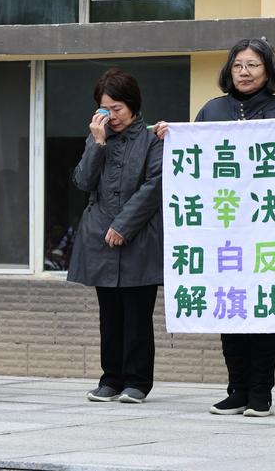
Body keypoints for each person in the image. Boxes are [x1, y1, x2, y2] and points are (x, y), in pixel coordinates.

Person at [154, 37, 275, 417]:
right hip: (218, 226)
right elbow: (193, 158)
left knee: (259, 305)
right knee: (228, 305)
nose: (244, 71)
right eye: (238, 64)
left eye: (253, 65)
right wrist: (169, 139)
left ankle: (261, 392)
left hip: (259, 227)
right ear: (229, 70)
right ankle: (236, 388)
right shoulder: (212, 110)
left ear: (269, 71)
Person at [67, 68, 163, 404]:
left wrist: (123, 226)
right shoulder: (98, 136)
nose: (112, 116)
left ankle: (137, 381)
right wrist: (97, 142)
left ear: (133, 106)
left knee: (137, 313)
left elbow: (155, 186)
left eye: (117, 109)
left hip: (139, 237)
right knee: (109, 315)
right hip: (99, 238)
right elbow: (82, 181)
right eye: (105, 109)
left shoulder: (153, 138)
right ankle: (110, 378)